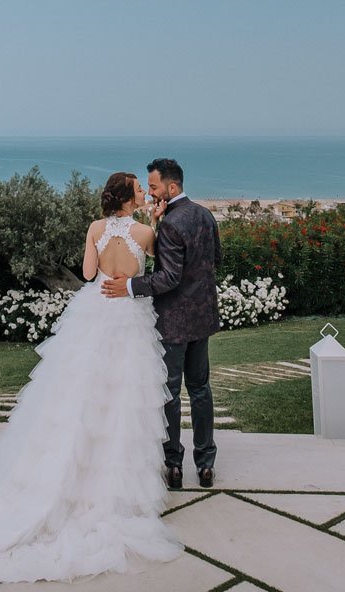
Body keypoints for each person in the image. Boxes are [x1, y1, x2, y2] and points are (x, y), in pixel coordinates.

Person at [0, 172, 183, 583]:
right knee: (123, 397)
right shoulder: (145, 233)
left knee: (77, 393)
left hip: (96, 311)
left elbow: (87, 274)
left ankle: (61, 480)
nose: (144, 192)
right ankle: (113, 490)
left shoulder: (95, 228)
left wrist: (103, 258)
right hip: (130, 316)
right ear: (128, 197)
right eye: (139, 189)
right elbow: (154, 271)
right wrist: (153, 226)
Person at [101, 157, 221, 489]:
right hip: (202, 318)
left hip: (174, 322)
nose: (151, 192)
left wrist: (129, 286)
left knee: (170, 392)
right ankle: (206, 464)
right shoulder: (205, 215)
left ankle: (174, 465)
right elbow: (216, 259)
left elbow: (168, 278)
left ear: (172, 186)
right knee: (200, 389)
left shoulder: (170, 224)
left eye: (153, 186)